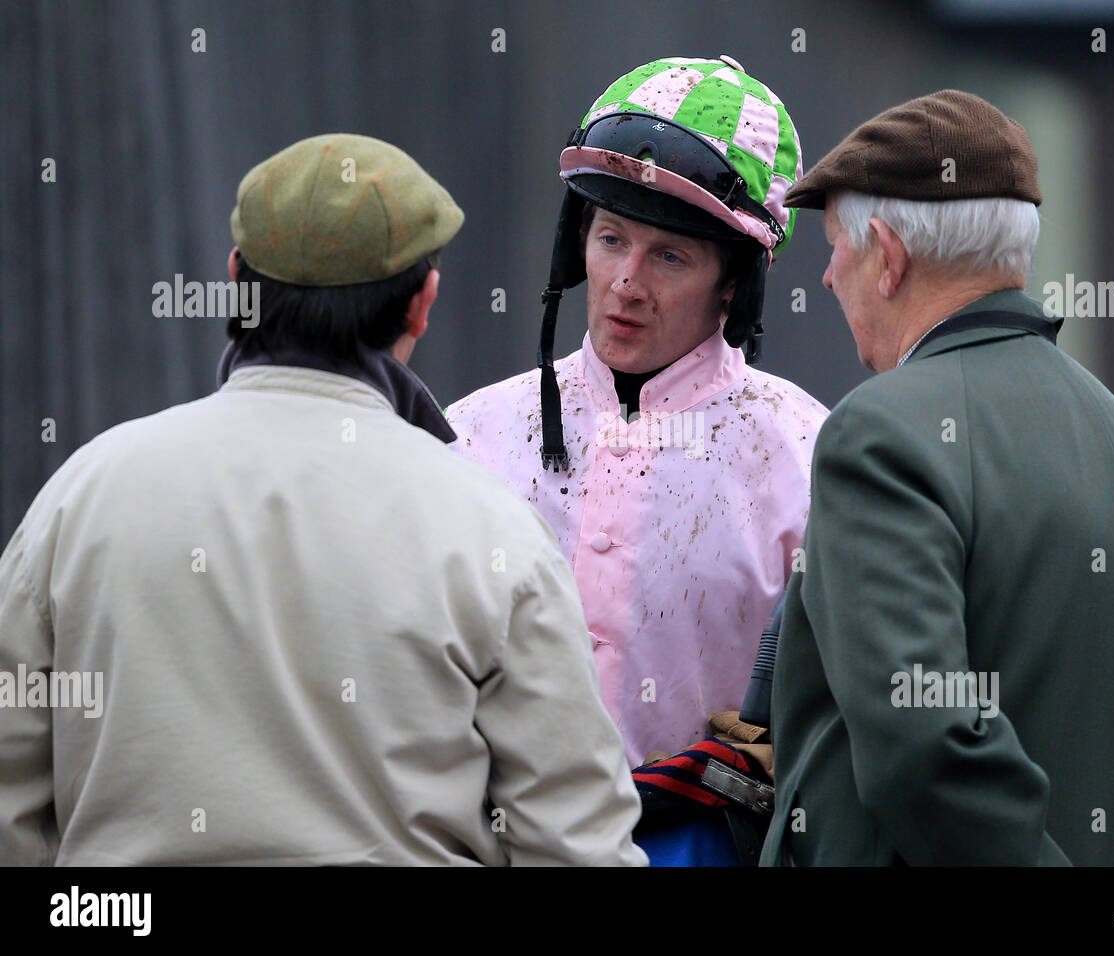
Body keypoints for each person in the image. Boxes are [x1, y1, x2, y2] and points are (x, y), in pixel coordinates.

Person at [0, 133, 646, 866]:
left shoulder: (82, 498)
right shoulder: (492, 533)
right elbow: (573, 844)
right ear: (422, 304)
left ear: (237, 277)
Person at [762, 90, 1114, 865]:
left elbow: (928, 743)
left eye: (837, 249)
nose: (825, 279)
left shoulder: (878, 433)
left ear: (889, 255)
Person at [445, 56, 829, 770]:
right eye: (612, 238)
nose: (627, 282)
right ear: (577, 244)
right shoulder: (471, 434)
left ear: (734, 286)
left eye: (670, 257)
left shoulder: (809, 460)